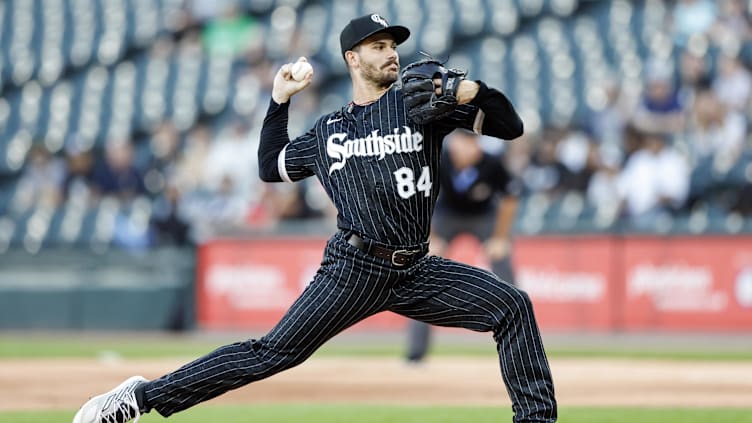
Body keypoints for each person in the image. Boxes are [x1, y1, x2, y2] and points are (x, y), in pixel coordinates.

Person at [72, 13, 557, 423]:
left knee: (512, 306)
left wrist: (469, 91)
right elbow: (270, 166)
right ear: (353, 58)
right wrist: (279, 100)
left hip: (417, 267)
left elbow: (510, 127)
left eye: (394, 46)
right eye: (380, 45)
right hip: (353, 269)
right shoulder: (329, 131)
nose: (392, 54)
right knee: (270, 355)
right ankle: (138, 399)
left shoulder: (421, 107)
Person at [405, 129, 521, 363]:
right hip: (446, 215)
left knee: (505, 272)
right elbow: (419, 198)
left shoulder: (492, 163)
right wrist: (430, 237)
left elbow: (509, 199)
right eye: (463, 144)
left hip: (484, 217)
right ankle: (416, 352)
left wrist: (500, 237)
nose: (468, 149)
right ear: (454, 145)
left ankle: (519, 349)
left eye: (472, 144)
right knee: (421, 272)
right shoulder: (437, 159)